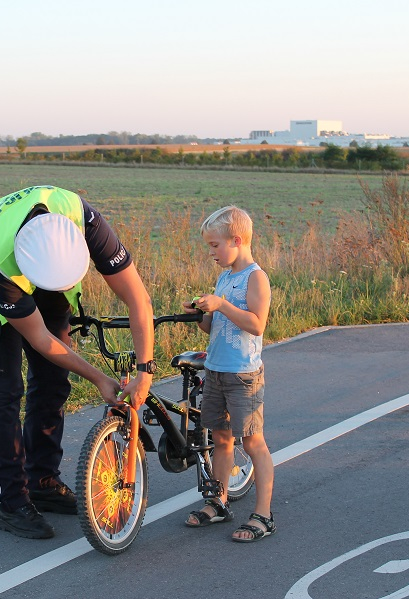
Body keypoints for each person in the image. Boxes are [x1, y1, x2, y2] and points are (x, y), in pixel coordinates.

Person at [0, 185, 154, 540]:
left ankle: (41, 481)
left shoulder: (83, 218)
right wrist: (100, 378)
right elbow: (42, 340)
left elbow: (138, 300)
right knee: (5, 389)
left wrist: (145, 370)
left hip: (43, 266)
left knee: (54, 380)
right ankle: (10, 502)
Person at [181, 205, 275, 543]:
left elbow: (256, 324)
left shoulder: (255, 277)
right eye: (209, 246)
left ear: (237, 240)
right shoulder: (225, 278)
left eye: (215, 245)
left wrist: (221, 305)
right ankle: (219, 502)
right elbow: (214, 327)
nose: (211, 253)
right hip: (216, 371)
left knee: (252, 442)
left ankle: (263, 515)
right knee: (219, 439)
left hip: (243, 376)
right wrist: (200, 314)